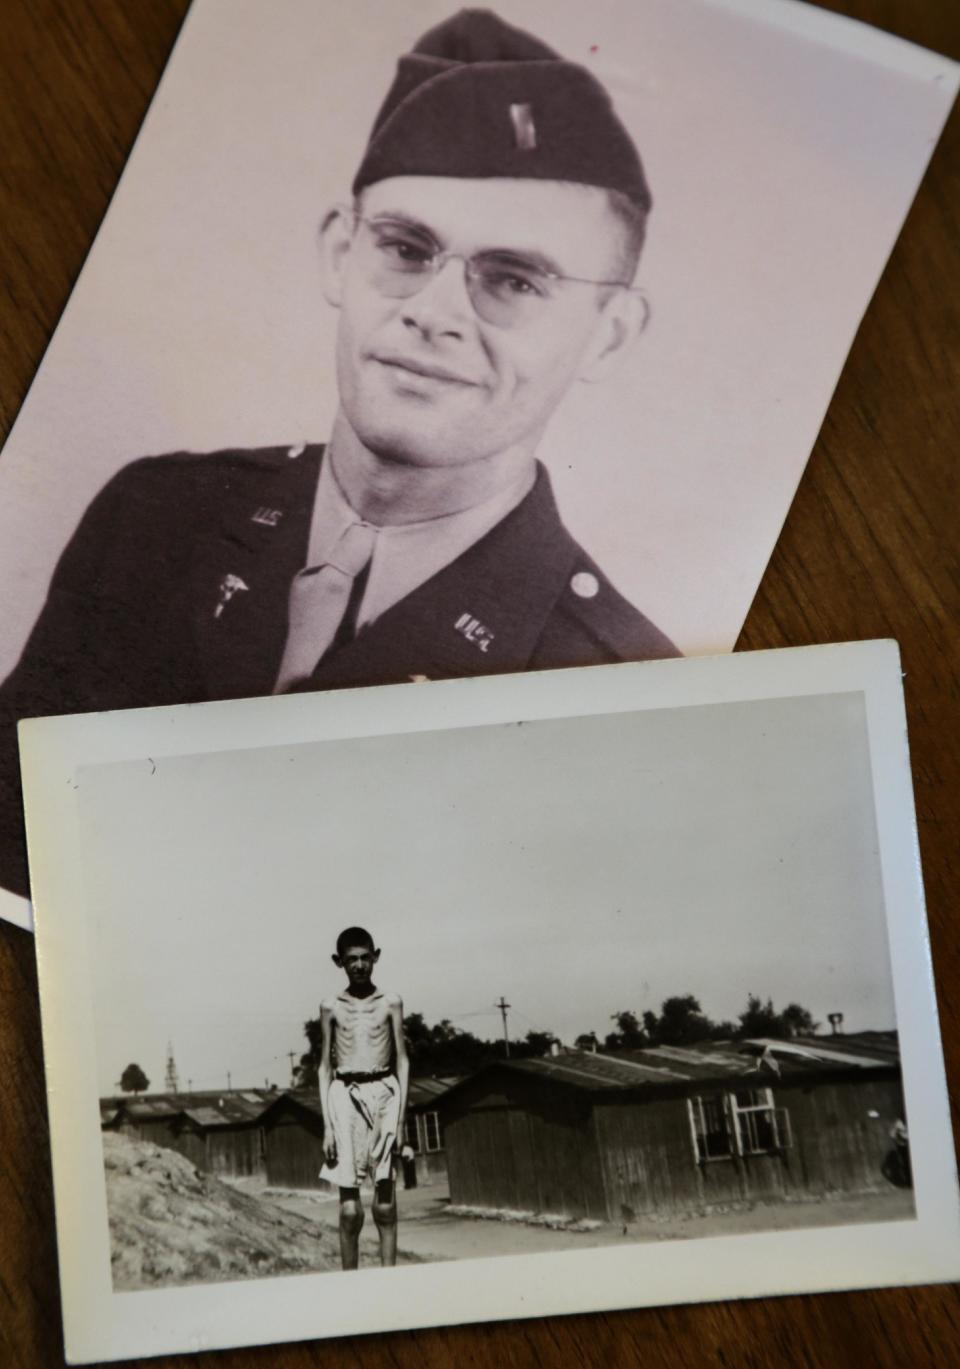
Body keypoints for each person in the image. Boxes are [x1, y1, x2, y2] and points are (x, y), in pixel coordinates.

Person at [0, 7, 679, 897]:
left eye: (514, 279)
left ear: (610, 336)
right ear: (338, 253)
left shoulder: (626, 698)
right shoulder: (156, 517)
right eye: (405, 247)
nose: (433, 310)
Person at [318, 926, 410, 1270]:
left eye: (365, 958)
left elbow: (402, 1059)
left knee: (384, 1205)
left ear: (376, 957)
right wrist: (327, 1127)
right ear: (338, 961)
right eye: (351, 959)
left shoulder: (391, 1002)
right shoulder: (331, 1006)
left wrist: (400, 1121)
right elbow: (324, 1067)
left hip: (384, 1093)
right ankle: (350, 1284)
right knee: (350, 1210)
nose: (359, 965)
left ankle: (389, 1282)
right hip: (344, 1096)